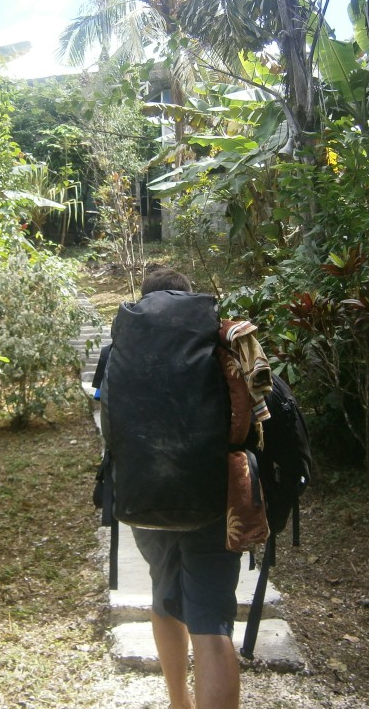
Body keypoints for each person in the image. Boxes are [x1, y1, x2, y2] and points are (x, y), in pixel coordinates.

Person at [128, 267, 242, 709]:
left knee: (163, 595)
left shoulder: (124, 349)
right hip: (213, 504)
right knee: (211, 625)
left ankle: (179, 702)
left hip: (147, 502)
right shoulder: (218, 350)